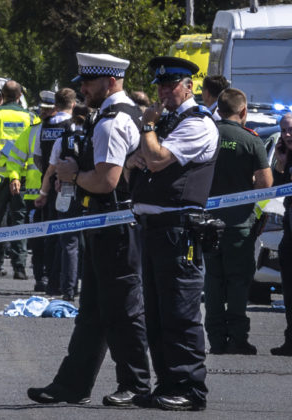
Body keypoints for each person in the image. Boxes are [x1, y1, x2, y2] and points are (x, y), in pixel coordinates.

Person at [27, 53, 151, 408]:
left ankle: (136, 384)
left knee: (123, 311)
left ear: (110, 82)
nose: (82, 89)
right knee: (93, 311)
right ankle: (71, 384)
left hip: (114, 225)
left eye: (89, 82)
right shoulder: (124, 114)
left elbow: (105, 180)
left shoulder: (112, 121)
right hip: (108, 225)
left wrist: (72, 176)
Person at [127, 56, 219, 411]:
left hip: (179, 230)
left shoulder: (197, 123)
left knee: (180, 312)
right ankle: (167, 382)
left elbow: (155, 159)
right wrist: (145, 148)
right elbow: (137, 160)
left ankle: (190, 388)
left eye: (171, 85)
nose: (164, 92)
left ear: (189, 86)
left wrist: (148, 129)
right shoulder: (170, 120)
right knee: (158, 313)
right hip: (153, 228)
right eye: (161, 86)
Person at [204, 88, 272, 355]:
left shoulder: (207, 135)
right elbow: (265, 184)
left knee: (212, 280)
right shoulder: (251, 140)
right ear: (243, 111)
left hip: (207, 223)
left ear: (218, 109)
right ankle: (238, 338)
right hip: (239, 224)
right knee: (237, 282)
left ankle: (216, 339)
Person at [0, 80, 39, 279]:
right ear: (20, 96)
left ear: (2, 95)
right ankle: (19, 268)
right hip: (22, 175)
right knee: (19, 219)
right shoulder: (31, 117)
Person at [34, 88, 76, 295]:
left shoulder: (44, 125)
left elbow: (38, 156)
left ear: (56, 105)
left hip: (49, 184)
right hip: (71, 185)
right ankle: (68, 281)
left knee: (51, 234)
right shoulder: (73, 126)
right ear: (73, 104)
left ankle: (50, 279)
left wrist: (45, 182)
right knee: (71, 237)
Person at [271, 113, 292, 356]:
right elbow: (275, 187)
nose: (287, 135)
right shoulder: (284, 155)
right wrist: (280, 162)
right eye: (283, 130)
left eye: (291, 130)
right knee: (288, 287)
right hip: (289, 224)